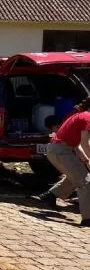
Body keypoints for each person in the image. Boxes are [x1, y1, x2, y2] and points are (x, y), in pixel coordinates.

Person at [32, 97, 90, 227]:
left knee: (77, 174)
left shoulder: (78, 115)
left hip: (57, 150)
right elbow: (85, 143)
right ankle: (87, 218)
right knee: (86, 182)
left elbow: (77, 145)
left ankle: (51, 195)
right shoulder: (87, 117)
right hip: (61, 151)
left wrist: (86, 160)